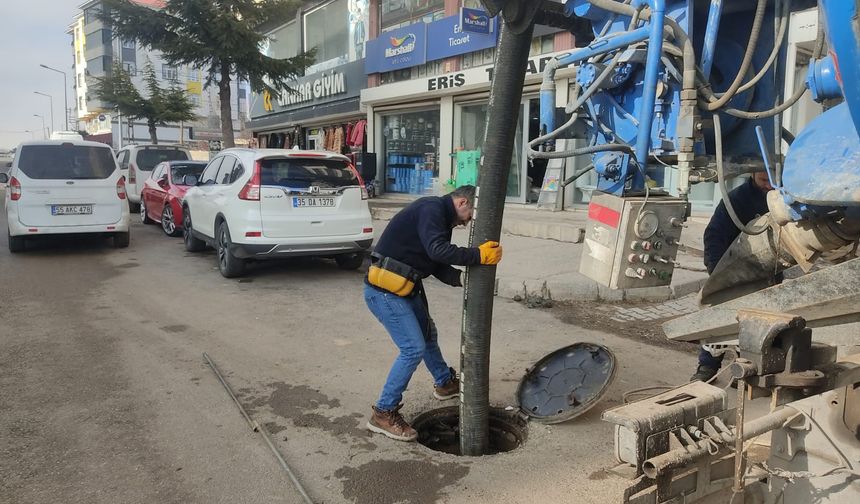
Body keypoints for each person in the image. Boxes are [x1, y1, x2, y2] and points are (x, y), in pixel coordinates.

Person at [364, 185, 503, 441]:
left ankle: (444, 382)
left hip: (404, 286)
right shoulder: (432, 209)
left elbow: (435, 262)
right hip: (384, 291)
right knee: (412, 348)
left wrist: (462, 279)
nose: (469, 221)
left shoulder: (440, 216)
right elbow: (437, 250)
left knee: (428, 335)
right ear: (462, 202)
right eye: (470, 214)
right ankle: (383, 412)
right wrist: (477, 255)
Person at [691, 171, 774, 382]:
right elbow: (714, 235)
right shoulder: (736, 200)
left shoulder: (781, 197)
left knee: (755, 326)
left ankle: (743, 369)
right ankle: (707, 367)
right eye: (765, 180)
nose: (769, 186)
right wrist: (716, 275)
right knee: (718, 320)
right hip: (732, 271)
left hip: (766, 273)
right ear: (753, 173)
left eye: (774, 181)